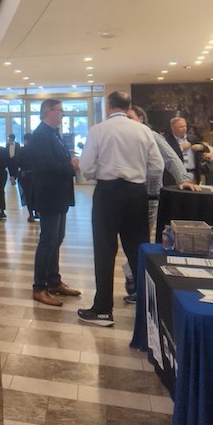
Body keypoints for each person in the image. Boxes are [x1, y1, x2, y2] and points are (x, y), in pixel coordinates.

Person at [77, 91, 163, 327]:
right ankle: (149, 310)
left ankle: (103, 310)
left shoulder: (98, 130)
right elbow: (157, 167)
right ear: (128, 106)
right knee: (138, 250)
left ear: (108, 106)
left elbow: (85, 167)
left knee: (104, 250)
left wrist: (100, 173)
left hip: (107, 192)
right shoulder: (143, 130)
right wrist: (137, 175)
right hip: (136, 193)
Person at [124, 105, 200, 304]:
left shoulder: (150, 135)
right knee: (133, 240)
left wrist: (184, 179)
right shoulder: (122, 137)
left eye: (130, 117)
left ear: (141, 118)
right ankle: (133, 277)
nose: (126, 120)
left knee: (142, 239)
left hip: (150, 196)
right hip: (126, 196)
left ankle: (134, 279)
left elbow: (171, 158)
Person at [29, 100, 80, 307]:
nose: (62, 114)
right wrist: (71, 166)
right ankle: (39, 287)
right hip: (49, 195)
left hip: (59, 195)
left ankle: (53, 282)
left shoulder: (53, 133)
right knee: (48, 241)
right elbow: (46, 167)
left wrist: (69, 164)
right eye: (60, 110)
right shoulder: (40, 135)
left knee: (57, 239)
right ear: (48, 112)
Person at [164, 117, 207, 184]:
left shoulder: (193, 138)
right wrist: (180, 148)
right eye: (181, 127)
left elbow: (206, 148)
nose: (184, 129)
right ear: (173, 128)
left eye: (185, 126)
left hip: (193, 174)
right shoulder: (166, 140)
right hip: (177, 175)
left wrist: (201, 147)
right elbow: (166, 155)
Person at [16, 133, 38, 222]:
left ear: (25, 140)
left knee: (28, 194)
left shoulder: (22, 150)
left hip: (25, 174)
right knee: (36, 193)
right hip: (36, 173)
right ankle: (37, 212)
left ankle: (31, 215)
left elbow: (17, 162)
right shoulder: (36, 150)